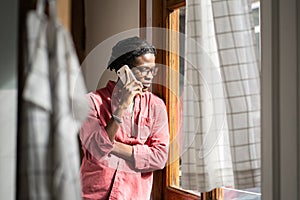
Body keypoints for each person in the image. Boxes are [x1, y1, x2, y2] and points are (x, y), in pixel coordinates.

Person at [79, 36, 170, 200]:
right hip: (92, 195)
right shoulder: (91, 102)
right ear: (124, 69)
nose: (150, 76)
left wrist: (111, 146)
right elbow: (97, 151)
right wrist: (121, 108)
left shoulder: (156, 106)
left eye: (152, 70)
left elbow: (160, 157)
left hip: (133, 195)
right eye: (143, 70)